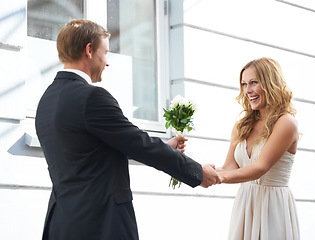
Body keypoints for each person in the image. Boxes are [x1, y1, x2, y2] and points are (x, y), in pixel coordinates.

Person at [35, 19, 220, 240]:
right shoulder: (92, 97)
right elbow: (138, 144)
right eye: (106, 53)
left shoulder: (46, 100)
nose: (108, 62)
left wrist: (163, 146)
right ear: (89, 50)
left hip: (62, 223)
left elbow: (98, 151)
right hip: (100, 223)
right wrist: (198, 172)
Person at [216, 57, 300, 240]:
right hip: (245, 204)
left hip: (273, 207)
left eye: (254, 82)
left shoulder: (286, 123)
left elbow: (259, 169)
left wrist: (217, 177)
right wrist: (192, 168)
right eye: (244, 84)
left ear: (271, 83)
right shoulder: (242, 125)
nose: (248, 90)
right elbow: (230, 167)